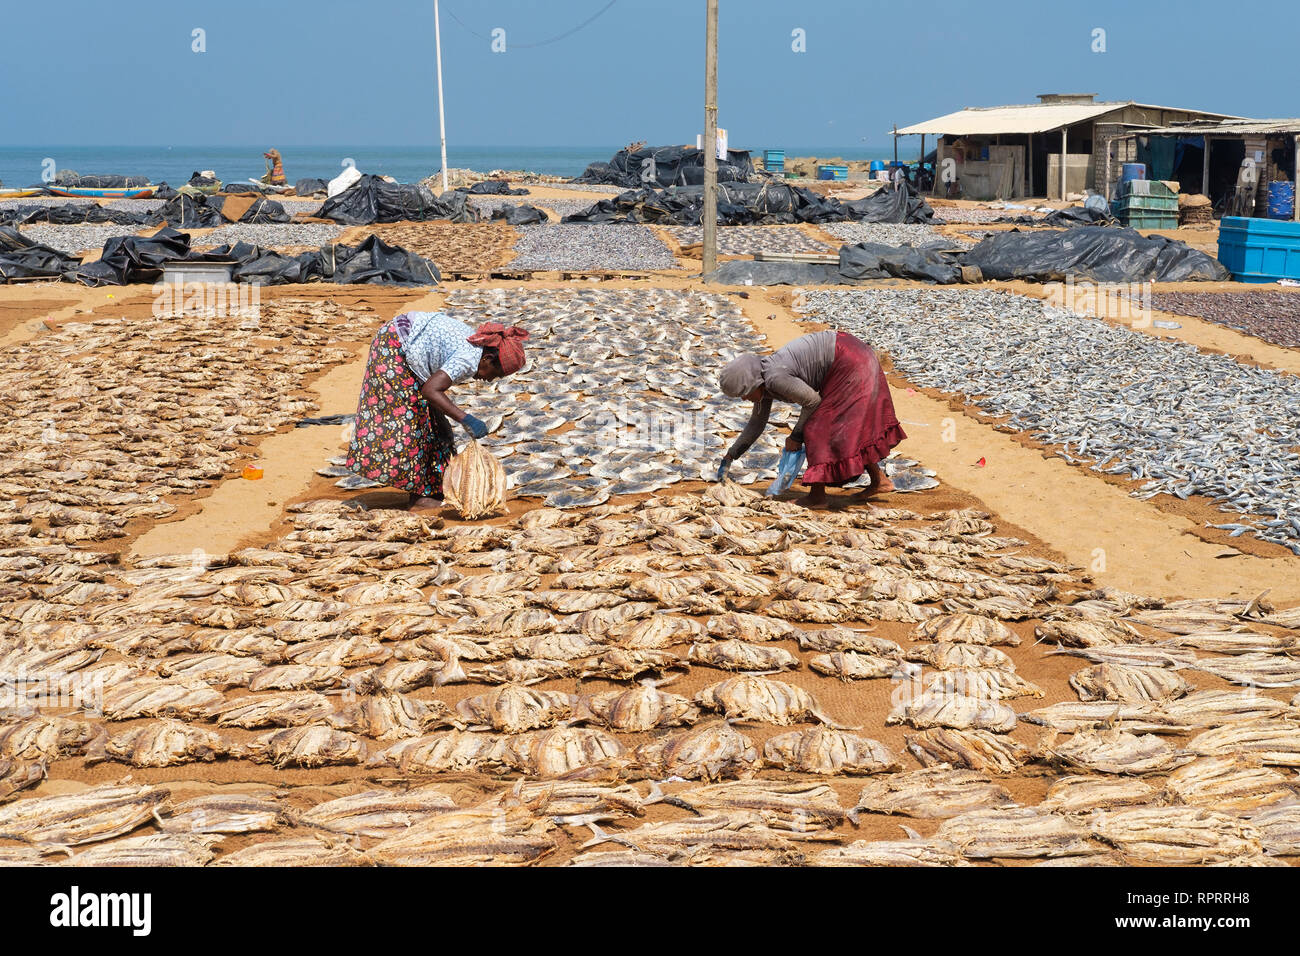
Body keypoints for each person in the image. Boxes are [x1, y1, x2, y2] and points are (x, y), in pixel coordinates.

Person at [346, 312, 528, 511]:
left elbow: (433, 391)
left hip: (406, 344)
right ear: (488, 358)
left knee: (437, 427)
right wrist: (466, 419)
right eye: (495, 373)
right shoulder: (468, 359)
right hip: (393, 347)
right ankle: (419, 497)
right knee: (413, 424)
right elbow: (430, 390)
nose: (491, 380)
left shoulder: (477, 352)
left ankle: (433, 487)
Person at [716, 329, 906, 508]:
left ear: (753, 383)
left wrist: (796, 437)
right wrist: (731, 455)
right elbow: (757, 422)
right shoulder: (763, 379)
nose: (744, 398)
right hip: (853, 352)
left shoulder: (775, 377)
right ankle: (880, 481)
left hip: (849, 360)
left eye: (744, 393)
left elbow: (813, 402)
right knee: (844, 428)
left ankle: (817, 496)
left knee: (817, 426)